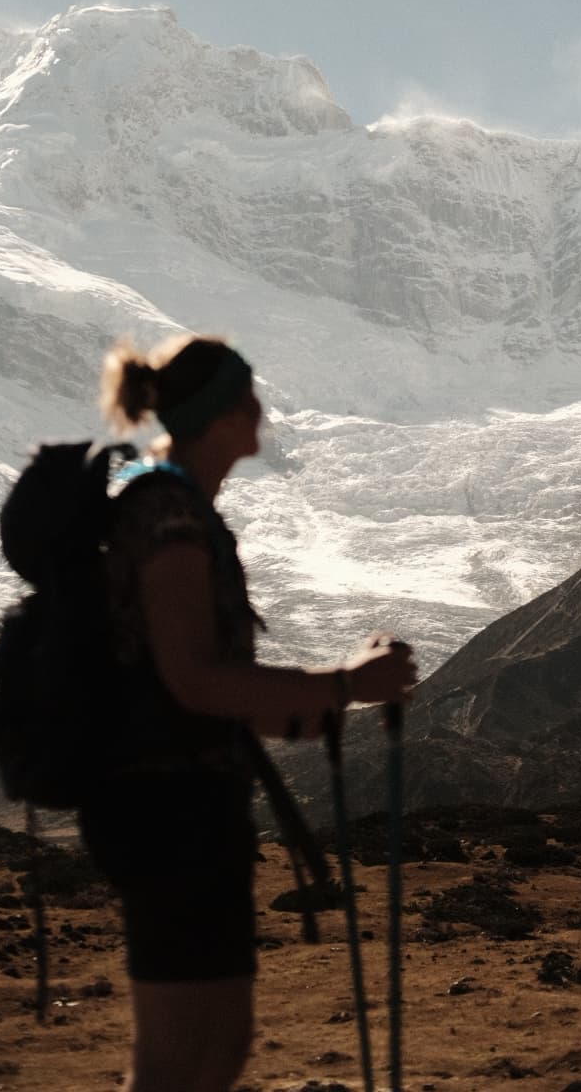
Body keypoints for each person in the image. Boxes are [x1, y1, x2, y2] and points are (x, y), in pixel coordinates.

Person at [77, 332, 417, 1092]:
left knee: (202, 1053)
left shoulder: (169, 504)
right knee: (186, 1059)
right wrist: (342, 684)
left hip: (174, 805)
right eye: (249, 395)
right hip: (171, 811)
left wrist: (324, 698)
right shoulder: (168, 515)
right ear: (225, 414)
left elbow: (201, 683)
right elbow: (195, 679)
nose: (263, 408)